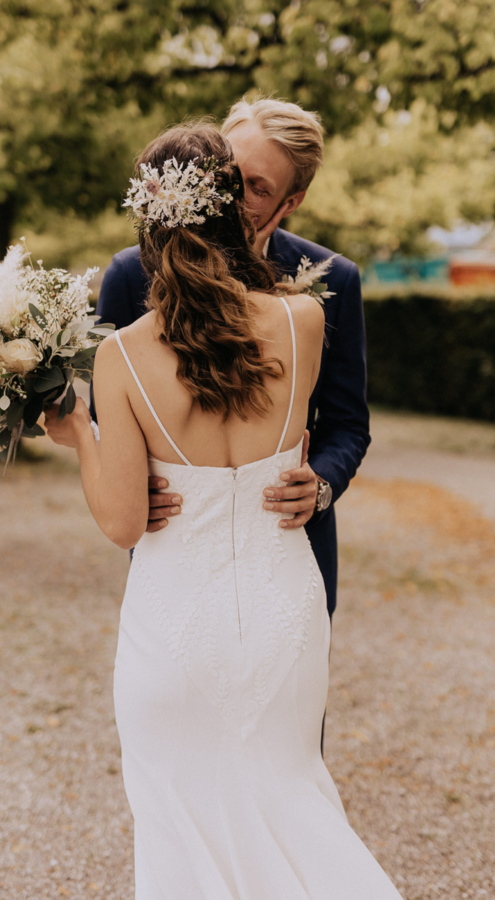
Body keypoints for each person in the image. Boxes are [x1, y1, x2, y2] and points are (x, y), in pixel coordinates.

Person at [45, 123, 402, 898]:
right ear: (232, 206)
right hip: (282, 616)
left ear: (150, 220)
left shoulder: (122, 355)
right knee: (294, 805)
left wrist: (77, 434)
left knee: (180, 837)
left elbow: (123, 523)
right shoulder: (306, 322)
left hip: (173, 623)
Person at [92, 97, 370, 618]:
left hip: (287, 551)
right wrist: (132, 485)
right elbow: (104, 411)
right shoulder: (132, 273)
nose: (231, 196)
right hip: (177, 546)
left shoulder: (334, 280)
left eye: (258, 188)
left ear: (292, 201)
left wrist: (322, 487)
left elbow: (349, 422)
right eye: (230, 174)